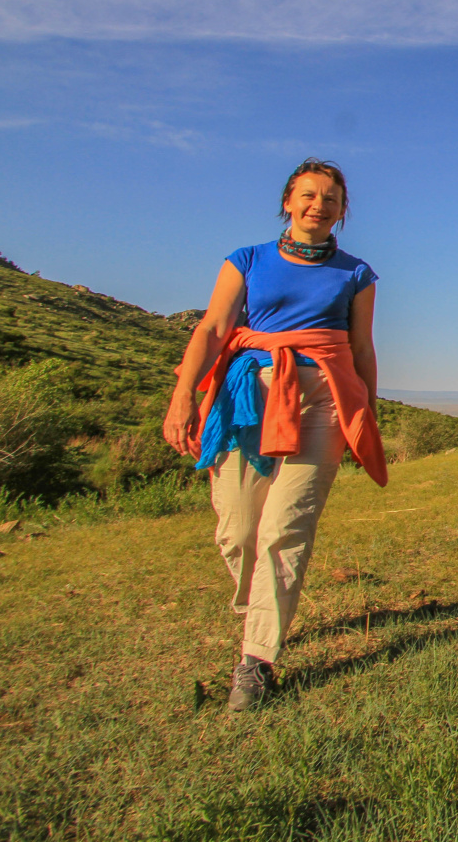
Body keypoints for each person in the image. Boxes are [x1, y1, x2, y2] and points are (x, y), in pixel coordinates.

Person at [162, 158, 386, 713]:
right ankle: (255, 608)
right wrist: (184, 394)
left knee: (284, 528)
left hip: (324, 399)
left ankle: (255, 660)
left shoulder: (357, 274)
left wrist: (366, 415)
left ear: (342, 211)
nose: (320, 205)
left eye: (331, 198)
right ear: (288, 201)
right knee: (238, 529)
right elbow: (213, 328)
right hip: (249, 397)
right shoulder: (247, 260)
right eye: (309, 195)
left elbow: (361, 349)